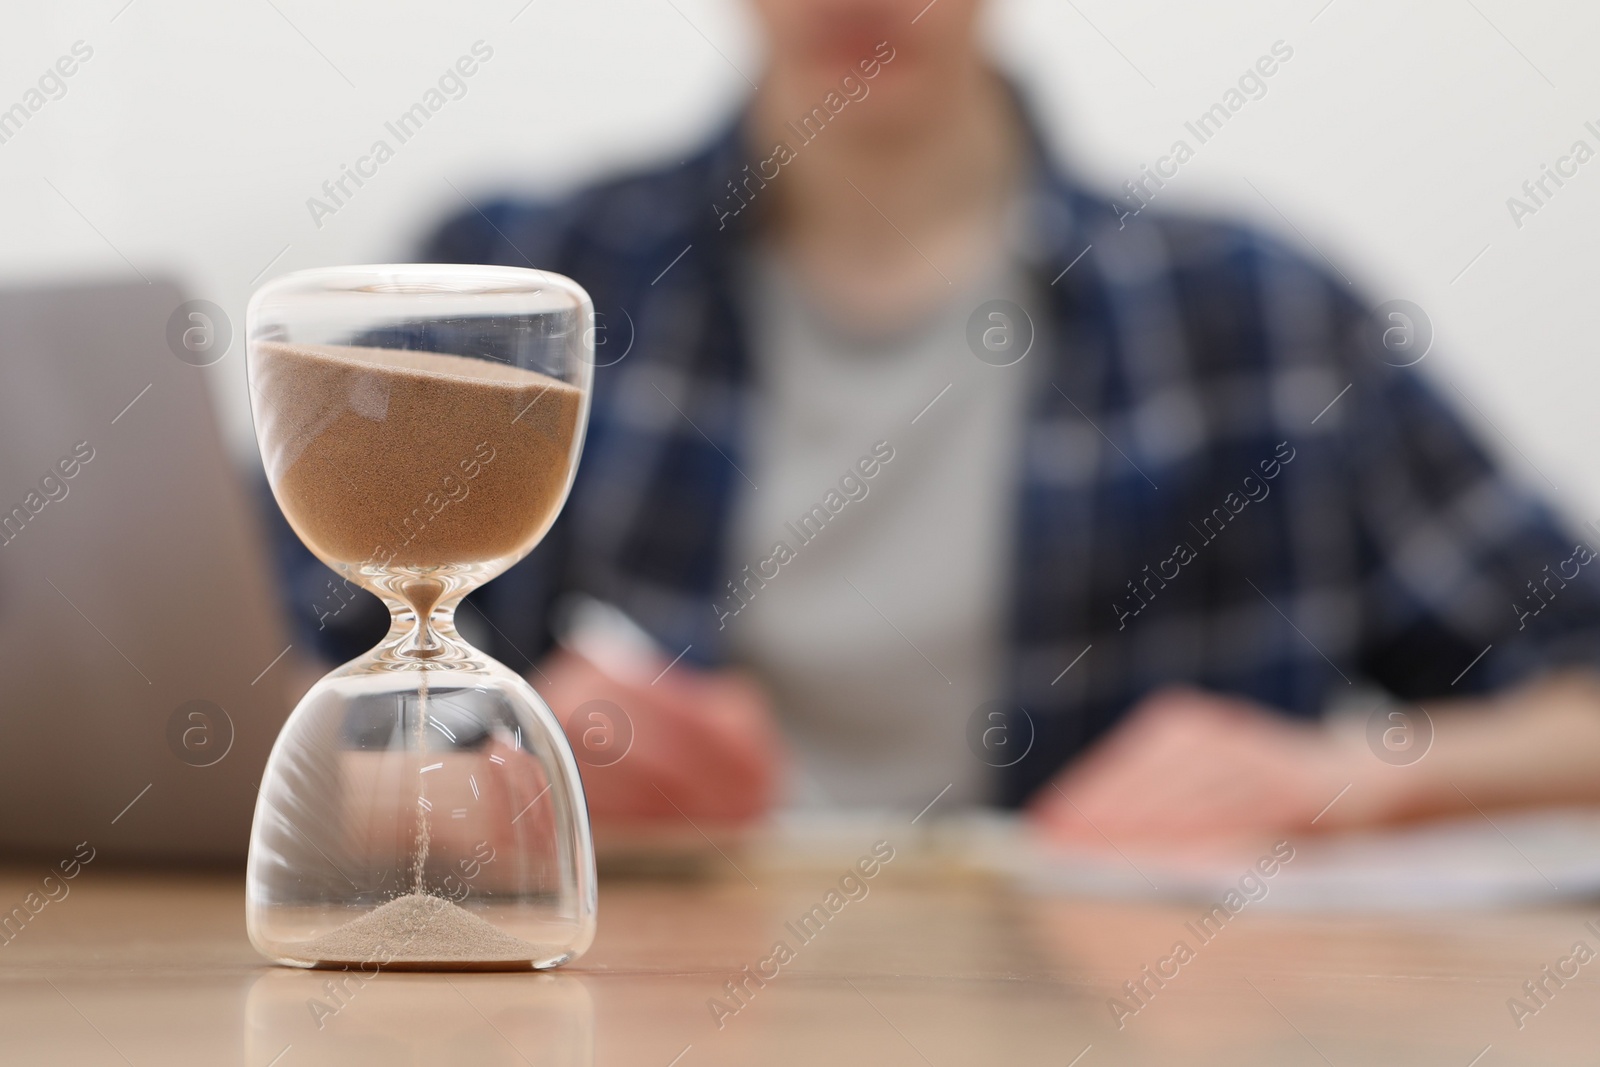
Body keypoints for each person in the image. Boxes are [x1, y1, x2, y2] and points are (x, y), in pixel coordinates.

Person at [284, 0, 1600, 847]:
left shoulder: (1261, 321)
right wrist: (464, 771)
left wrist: (1355, 773)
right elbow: (236, 688)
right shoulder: (516, 285)